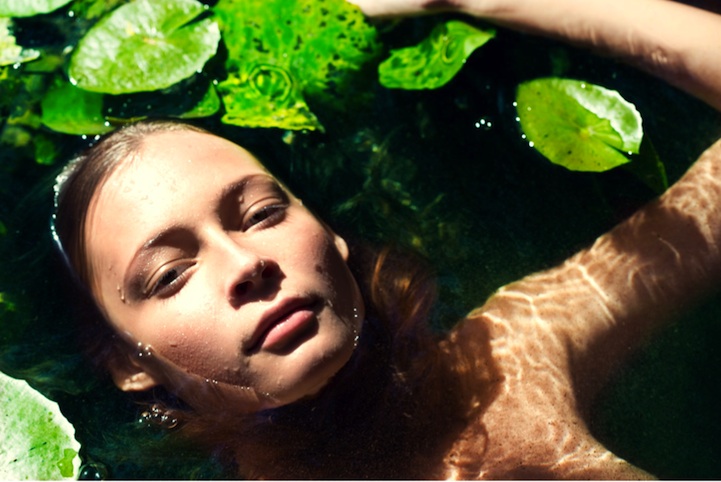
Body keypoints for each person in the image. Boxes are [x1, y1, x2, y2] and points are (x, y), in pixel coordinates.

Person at [51, 0, 721, 478]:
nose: (247, 262)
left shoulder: (507, 363)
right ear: (126, 363)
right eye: (170, 274)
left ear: (333, 236)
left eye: (261, 214)